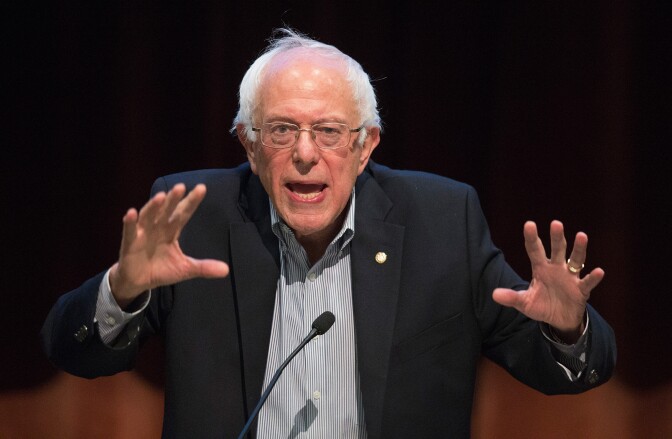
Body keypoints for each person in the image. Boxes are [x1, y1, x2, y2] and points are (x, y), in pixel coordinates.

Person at [41, 28, 616, 438]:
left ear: (366, 147)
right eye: (283, 130)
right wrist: (122, 291)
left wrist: (566, 328)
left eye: (330, 131)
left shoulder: (442, 221)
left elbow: (564, 374)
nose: (306, 154)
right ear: (247, 142)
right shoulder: (196, 217)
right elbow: (73, 353)